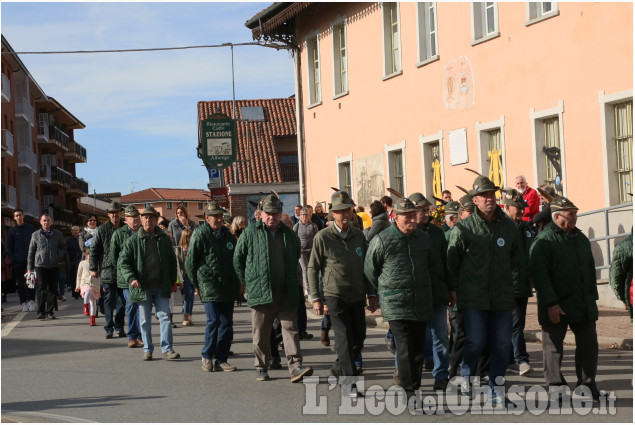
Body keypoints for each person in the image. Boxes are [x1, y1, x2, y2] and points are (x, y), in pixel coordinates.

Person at [447, 174, 519, 406]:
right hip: (473, 296)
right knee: (476, 341)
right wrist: (453, 289)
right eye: (483, 195)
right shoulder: (464, 228)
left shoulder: (509, 227)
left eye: (491, 194)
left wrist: (518, 287)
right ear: (474, 200)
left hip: (502, 296)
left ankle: (496, 390)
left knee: (501, 344)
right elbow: (452, 261)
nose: (489, 199)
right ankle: (467, 375)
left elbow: (518, 260)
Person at [233, 192, 313, 383]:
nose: (272, 216)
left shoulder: (289, 234)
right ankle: (261, 366)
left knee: (290, 329)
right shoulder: (250, 233)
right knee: (261, 332)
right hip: (260, 291)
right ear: (260, 213)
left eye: (276, 213)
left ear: (280, 214)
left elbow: (295, 256)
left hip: (285, 291)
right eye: (268, 213)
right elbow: (238, 260)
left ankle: (295, 367)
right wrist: (249, 282)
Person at [530, 196, 602, 401]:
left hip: (582, 303)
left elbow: (589, 269)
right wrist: (551, 303)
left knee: (589, 345)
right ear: (557, 216)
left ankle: (587, 385)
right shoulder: (543, 241)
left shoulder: (580, 238)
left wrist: (592, 298)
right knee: (553, 348)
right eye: (571, 215)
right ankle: (556, 388)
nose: (576, 218)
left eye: (575, 214)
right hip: (556, 304)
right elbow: (539, 276)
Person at [309, 190, 378, 398]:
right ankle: (349, 383)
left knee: (359, 337)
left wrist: (372, 293)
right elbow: (313, 268)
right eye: (340, 211)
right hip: (334, 294)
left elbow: (367, 266)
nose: (345, 214)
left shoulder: (358, 235)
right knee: (344, 339)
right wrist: (316, 297)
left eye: (348, 209)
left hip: (356, 294)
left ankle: (338, 368)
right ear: (333, 213)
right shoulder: (323, 237)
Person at [365, 198, 434, 399]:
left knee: (418, 348)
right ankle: (409, 389)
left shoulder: (423, 239)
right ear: (396, 217)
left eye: (414, 215)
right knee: (404, 344)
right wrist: (376, 293)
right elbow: (370, 270)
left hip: (420, 300)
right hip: (394, 301)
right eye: (408, 216)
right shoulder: (383, 239)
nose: (413, 220)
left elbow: (432, 267)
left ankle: (415, 384)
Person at [118, 206, 180, 361]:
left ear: (156, 219)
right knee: (144, 320)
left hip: (161, 285)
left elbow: (173, 262)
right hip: (142, 287)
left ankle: (167, 349)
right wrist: (131, 278)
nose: (148, 220)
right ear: (141, 219)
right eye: (145, 217)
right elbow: (123, 262)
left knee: (165, 316)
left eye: (151, 217)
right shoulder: (133, 240)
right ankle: (148, 349)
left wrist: (173, 281)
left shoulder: (165, 239)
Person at [185, 202, 240, 372]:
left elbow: (236, 260)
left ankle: (221, 358)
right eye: (214, 216)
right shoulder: (200, 235)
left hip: (227, 286)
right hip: (209, 284)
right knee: (214, 321)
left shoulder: (229, 236)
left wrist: (239, 283)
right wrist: (196, 284)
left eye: (220, 216)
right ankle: (207, 355)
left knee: (226, 324)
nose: (218, 219)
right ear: (207, 218)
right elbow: (190, 262)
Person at [408, 192, 454, 391]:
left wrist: (451, 288)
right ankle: (404, 372)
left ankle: (441, 374)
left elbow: (446, 262)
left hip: (436, 293)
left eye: (428, 210)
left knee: (440, 335)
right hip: (414, 295)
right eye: (423, 211)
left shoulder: (436, 233)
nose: (427, 214)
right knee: (410, 339)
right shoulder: (404, 233)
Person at [502, 189, 536, 376]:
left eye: (523, 208)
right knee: (515, 324)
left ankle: (508, 359)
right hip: (508, 284)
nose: (521, 212)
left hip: (523, 284)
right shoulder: (503, 228)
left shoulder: (526, 228)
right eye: (517, 208)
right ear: (507, 207)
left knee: (516, 323)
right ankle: (521, 359)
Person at [90, 201, 126, 339]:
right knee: (109, 301)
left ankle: (119, 327)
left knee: (122, 302)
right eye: (112, 213)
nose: (115, 215)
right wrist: (93, 268)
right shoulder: (102, 229)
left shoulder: (125, 228)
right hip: (107, 270)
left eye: (117, 212)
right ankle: (109, 328)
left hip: (123, 270)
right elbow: (94, 250)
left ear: (120, 213)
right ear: (108, 214)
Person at [110, 205, 144, 348]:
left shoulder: (145, 233)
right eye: (132, 217)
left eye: (137, 217)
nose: (136, 219)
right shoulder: (119, 234)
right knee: (131, 304)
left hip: (142, 276)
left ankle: (140, 336)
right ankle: (132, 336)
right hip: (126, 278)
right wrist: (124, 271)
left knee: (141, 306)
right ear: (126, 220)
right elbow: (114, 257)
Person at [27, 213, 67, 320]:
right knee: (41, 288)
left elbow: (63, 248)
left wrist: (57, 256)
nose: (46, 222)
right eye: (44, 220)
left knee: (52, 289)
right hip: (40, 265)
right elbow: (31, 252)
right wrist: (29, 267)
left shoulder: (57, 234)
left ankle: (50, 311)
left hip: (53, 265)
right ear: (40, 222)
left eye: (48, 220)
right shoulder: (35, 235)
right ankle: (41, 312)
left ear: (51, 222)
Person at [7, 209, 36, 312]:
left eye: (20, 215)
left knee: (31, 282)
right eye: (16, 216)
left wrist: (34, 258)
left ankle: (32, 301)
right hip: (18, 262)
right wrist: (13, 259)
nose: (18, 217)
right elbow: (9, 248)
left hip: (30, 261)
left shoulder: (31, 228)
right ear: (14, 218)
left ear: (23, 216)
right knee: (21, 284)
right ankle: (23, 302)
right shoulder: (12, 231)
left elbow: (35, 243)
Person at [293, 208, 319, 298]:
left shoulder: (313, 226)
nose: (304, 216)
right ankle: (308, 290)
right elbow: (293, 239)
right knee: (305, 269)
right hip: (302, 252)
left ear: (309, 216)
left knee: (312, 269)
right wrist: (297, 248)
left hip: (311, 251)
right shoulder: (297, 226)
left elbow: (317, 238)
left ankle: (313, 288)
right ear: (300, 216)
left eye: (306, 215)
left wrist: (315, 249)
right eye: (302, 215)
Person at [610, 228, 633, 320]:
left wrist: (623, 298)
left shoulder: (623, 247)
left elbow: (616, 277)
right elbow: (616, 276)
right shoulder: (624, 247)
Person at [75, 247, 101, 326]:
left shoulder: (97, 263)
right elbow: (79, 275)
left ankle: (92, 319)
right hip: (85, 282)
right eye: (90, 255)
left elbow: (100, 274)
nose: (92, 256)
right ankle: (85, 305)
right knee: (88, 291)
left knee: (93, 302)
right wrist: (78, 286)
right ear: (86, 255)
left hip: (95, 283)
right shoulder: (82, 263)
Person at [175, 228, 195, 326]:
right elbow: (177, 263)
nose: (189, 238)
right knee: (187, 294)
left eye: (190, 236)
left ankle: (190, 315)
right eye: (187, 237)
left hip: (192, 274)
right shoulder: (179, 249)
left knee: (191, 295)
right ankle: (186, 316)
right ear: (183, 237)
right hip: (184, 275)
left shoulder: (193, 247)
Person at [66, 226, 83, 300]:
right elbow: (67, 251)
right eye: (74, 230)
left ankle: (81, 293)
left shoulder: (81, 239)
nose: (76, 232)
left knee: (82, 277)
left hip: (81, 261)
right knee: (74, 278)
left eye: (77, 230)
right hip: (73, 262)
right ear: (71, 232)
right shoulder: (68, 241)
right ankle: (75, 293)